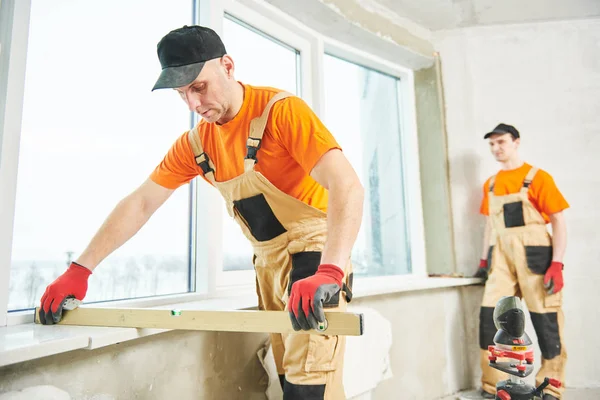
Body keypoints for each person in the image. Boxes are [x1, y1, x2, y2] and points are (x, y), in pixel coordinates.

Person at [38, 25, 364, 400]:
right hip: (268, 264)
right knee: (292, 376)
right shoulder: (196, 144)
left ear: (227, 66)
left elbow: (347, 185)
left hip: (314, 254)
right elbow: (141, 202)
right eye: (182, 94)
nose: (193, 104)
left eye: (199, 87)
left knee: (310, 383)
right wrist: (80, 269)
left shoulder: (280, 112)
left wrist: (330, 269)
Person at [473, 123, 568, 400]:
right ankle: (495, 386)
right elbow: (490, 226)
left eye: (501, 142)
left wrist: (557, 263)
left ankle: (551, 387)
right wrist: (483, 259)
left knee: (545, 320)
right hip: (501, 257)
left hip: (535, 256)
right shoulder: (490, 184)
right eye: (491, 144)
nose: (496, 149)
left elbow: (559, 221)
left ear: (516, 142)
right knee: (491, 318)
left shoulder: (538, 178)